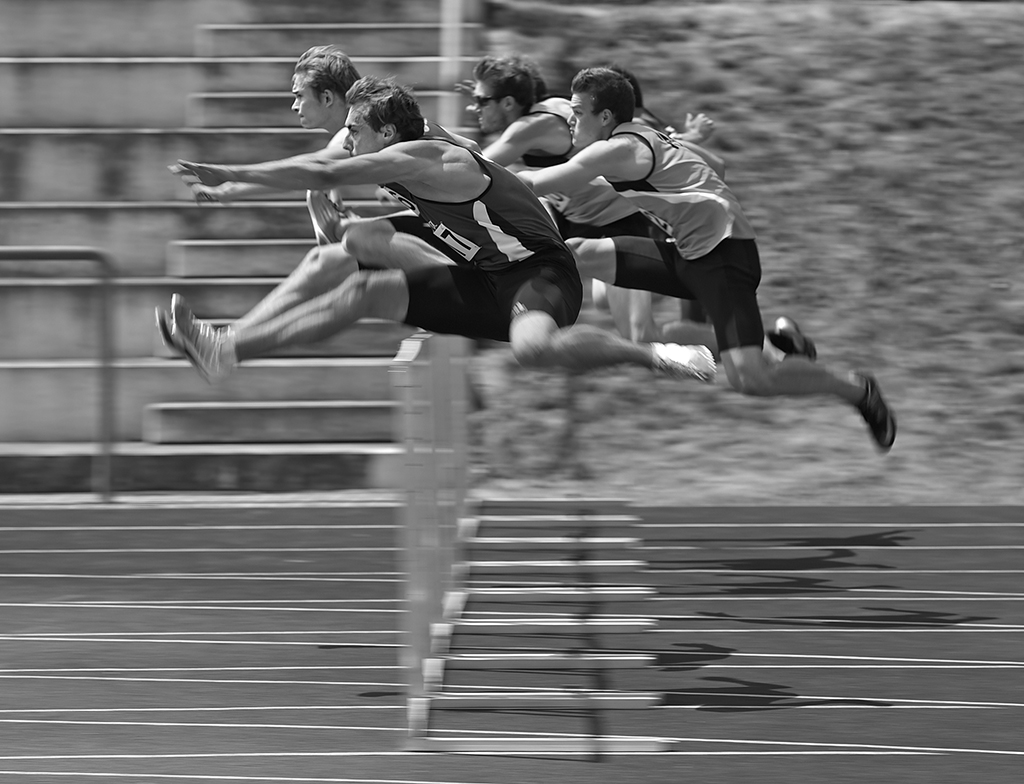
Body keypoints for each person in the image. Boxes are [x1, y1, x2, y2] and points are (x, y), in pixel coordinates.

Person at [161, 75, 716, 388]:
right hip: (482, 273)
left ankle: (657, 355)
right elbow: (326, 166)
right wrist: (243, 190)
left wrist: (234, 172)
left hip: (538, 273)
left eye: (356, 132)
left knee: (533, 350)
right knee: (360, 286)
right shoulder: (395, 140)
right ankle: (226, 350)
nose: (348, 140)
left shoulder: (431, 159)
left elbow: (328, 170)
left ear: (388, 135)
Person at [516, 67, 896, 451]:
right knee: (580, 253)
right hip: (689, 252)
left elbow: (535, 181)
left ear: (605, 118)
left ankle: (856, 389)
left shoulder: (616, 149)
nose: (568, 118)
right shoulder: (643, 139)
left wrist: (471, 173)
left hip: (724, 258)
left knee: (751, 380)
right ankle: (777, 345)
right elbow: (717, 166)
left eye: (577, 111)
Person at [161, 45, 483, 350]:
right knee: (328, 258)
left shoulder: (356, 132)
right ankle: (224, 344)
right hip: (463, 235)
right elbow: (474, 148)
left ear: (327, 97)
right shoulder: (378, 124)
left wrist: (228, 183)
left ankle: (226, 344)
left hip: (475, 250)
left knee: (342, 248)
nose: (294, 105)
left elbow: (316, 170)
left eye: (299, 96)